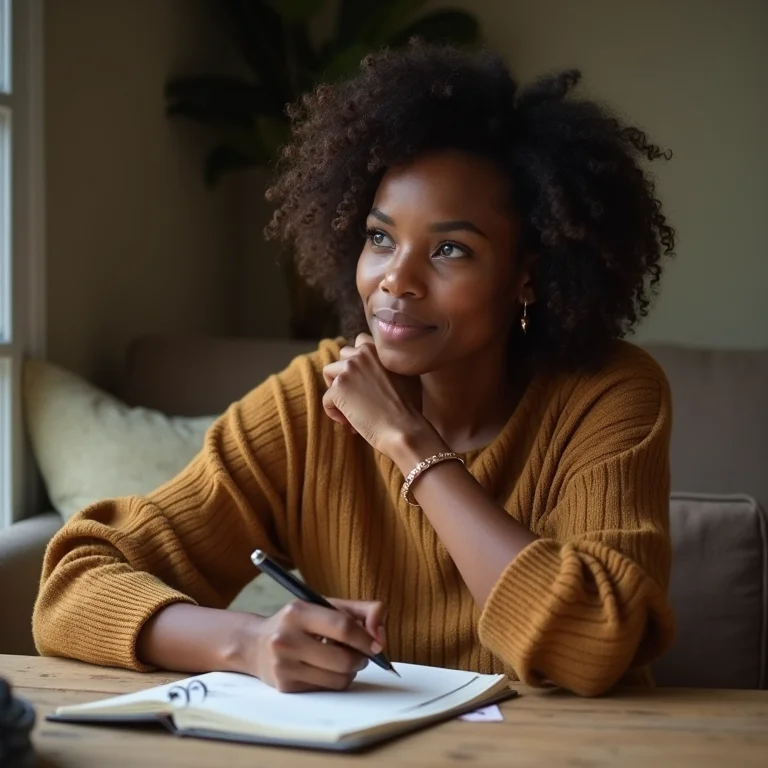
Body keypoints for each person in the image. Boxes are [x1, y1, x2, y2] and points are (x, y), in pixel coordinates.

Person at [33, 42, 677, 698]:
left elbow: (593, 642)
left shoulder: (607, 396)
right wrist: (246, 643)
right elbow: (72, 588)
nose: (397, 278)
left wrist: (409, 442)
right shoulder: (309, 403)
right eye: (380, 238)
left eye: (450, 249)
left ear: (528, 277)